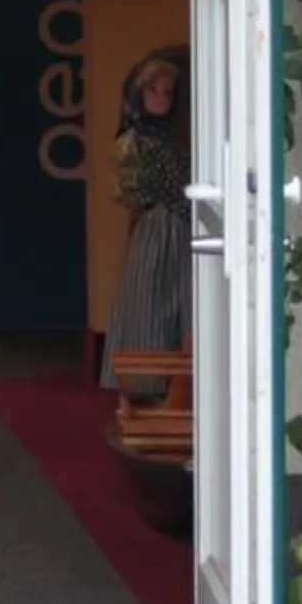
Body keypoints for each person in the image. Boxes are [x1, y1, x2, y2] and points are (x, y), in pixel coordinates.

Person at [102, 48, 190, 395]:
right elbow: (152, 190)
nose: (161, 99)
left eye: (167, 92)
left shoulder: (176, 138)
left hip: (179, 227)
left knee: (179, 305)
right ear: (140, 94)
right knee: (150, 304)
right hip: (159, 229)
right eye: (154, 91)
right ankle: (144, 384)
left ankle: (173, 387)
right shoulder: (137, 141)